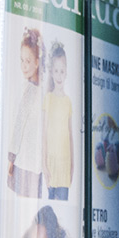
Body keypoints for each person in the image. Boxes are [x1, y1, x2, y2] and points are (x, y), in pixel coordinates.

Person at [6, 28, 45, 197]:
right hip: (26, 164)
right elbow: (18, 124)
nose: (23, 65)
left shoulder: (35, 91)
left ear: (37, 62)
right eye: (21, 60)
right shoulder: (29, 89)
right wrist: (11, 158)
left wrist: (11, 158)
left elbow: (19, 125)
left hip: (31, 166)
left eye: (28, 61)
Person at [42, 42, 73, 201]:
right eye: (56, 71)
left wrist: (72, 166)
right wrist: (44, 164)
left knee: (63, 203)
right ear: (51, 72)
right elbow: (44, 134)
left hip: (64, 166)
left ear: (66, 72)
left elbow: (70, 136)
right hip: (51, 165)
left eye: (62, 71)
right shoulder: (48, 98)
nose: (59, 75)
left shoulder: (68, 102)